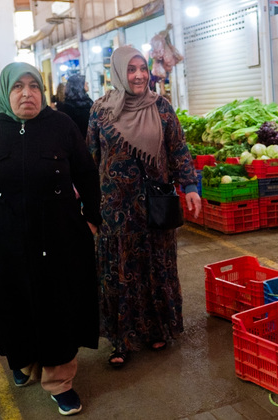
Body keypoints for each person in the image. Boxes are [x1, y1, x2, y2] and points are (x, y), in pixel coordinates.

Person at [0, 62, 101, 416]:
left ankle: (59, 382)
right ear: (6, 93)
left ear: (43, 90)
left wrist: (91, 222)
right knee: (11, 307)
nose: (28, 93)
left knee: (59, 308)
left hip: (59, 241)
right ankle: (23, 363)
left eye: (34, 86)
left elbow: (87, 175)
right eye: (19, 87)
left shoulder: (61, 126)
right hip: (3, 244)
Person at [87, 46, 201, 368]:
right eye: (131, 69)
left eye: (142, 68)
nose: (138, 75)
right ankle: (121, 340)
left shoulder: (161, 107)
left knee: (155, 268)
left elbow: (178, 148)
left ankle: (155, 328)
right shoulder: (101, 111)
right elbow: (89, 157)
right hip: (114, 208)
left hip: (155, 206)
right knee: (119, 272)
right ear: (119, 72)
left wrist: (190, 187)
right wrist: (85, 205)